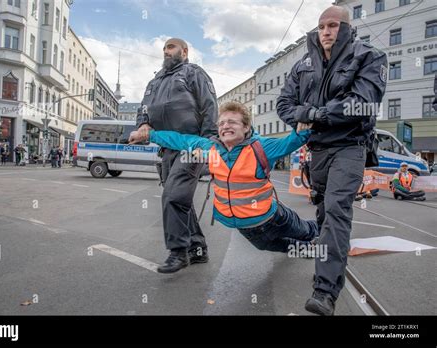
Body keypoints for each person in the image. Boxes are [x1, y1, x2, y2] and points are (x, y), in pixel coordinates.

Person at [277, 6, 388, 315]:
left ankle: (325, 292)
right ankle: (328, 263)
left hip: (350, 147)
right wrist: (305, 115)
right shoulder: (304, 64)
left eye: (334, 25)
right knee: (325, 215)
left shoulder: (368, 56)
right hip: (316, 152)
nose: (326, 31)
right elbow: (284, 104)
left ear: (347, 27)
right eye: (322, 26)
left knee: (338, 212)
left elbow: (362, 104)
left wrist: (313, 114)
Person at [130, 101, 318, 254]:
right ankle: (305, 249)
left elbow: (292, 141)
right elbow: (178, 139)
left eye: (232, 122)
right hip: (244, 226)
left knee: (306, 230)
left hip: (273, 218)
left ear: (246, 127)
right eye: (221, 123)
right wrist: (148, 135)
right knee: (265, 245)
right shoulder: (209, 148)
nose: (225, 126)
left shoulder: (262, 147)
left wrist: (305, 125)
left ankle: (331, 243)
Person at [135, 37, 218, 273]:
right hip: (166, 147)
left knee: (173, 196)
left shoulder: (193, 73)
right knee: (180, 198)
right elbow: (144, 108)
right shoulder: (154, 81)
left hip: (191, 146)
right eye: (163, 48)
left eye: (170, 47)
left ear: (184, 50)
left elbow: (209, 105)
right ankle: (198, 248)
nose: (165, 51)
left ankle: (178, 252)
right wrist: (142, 123)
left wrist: (208, 140)